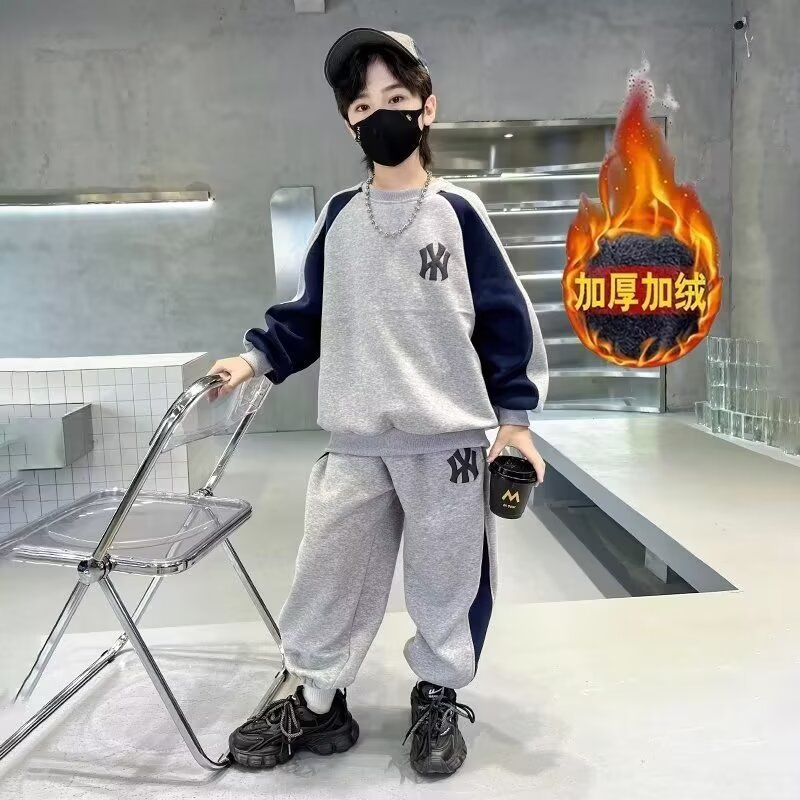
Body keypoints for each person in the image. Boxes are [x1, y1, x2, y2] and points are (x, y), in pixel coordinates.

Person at [208, 27, 549, 777]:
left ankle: (438, 693)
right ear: (348, 123)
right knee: (328, 574)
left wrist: (516, 424)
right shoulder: (339, 217)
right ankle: (318, 702)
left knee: (448, 580)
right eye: (363, 106)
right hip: (357, 441)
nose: (380, 114)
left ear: (428, 106)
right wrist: (253, 357)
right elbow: (305, 315)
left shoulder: (458, 213)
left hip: (447, 444)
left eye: (396, 97)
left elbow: (505, 322)